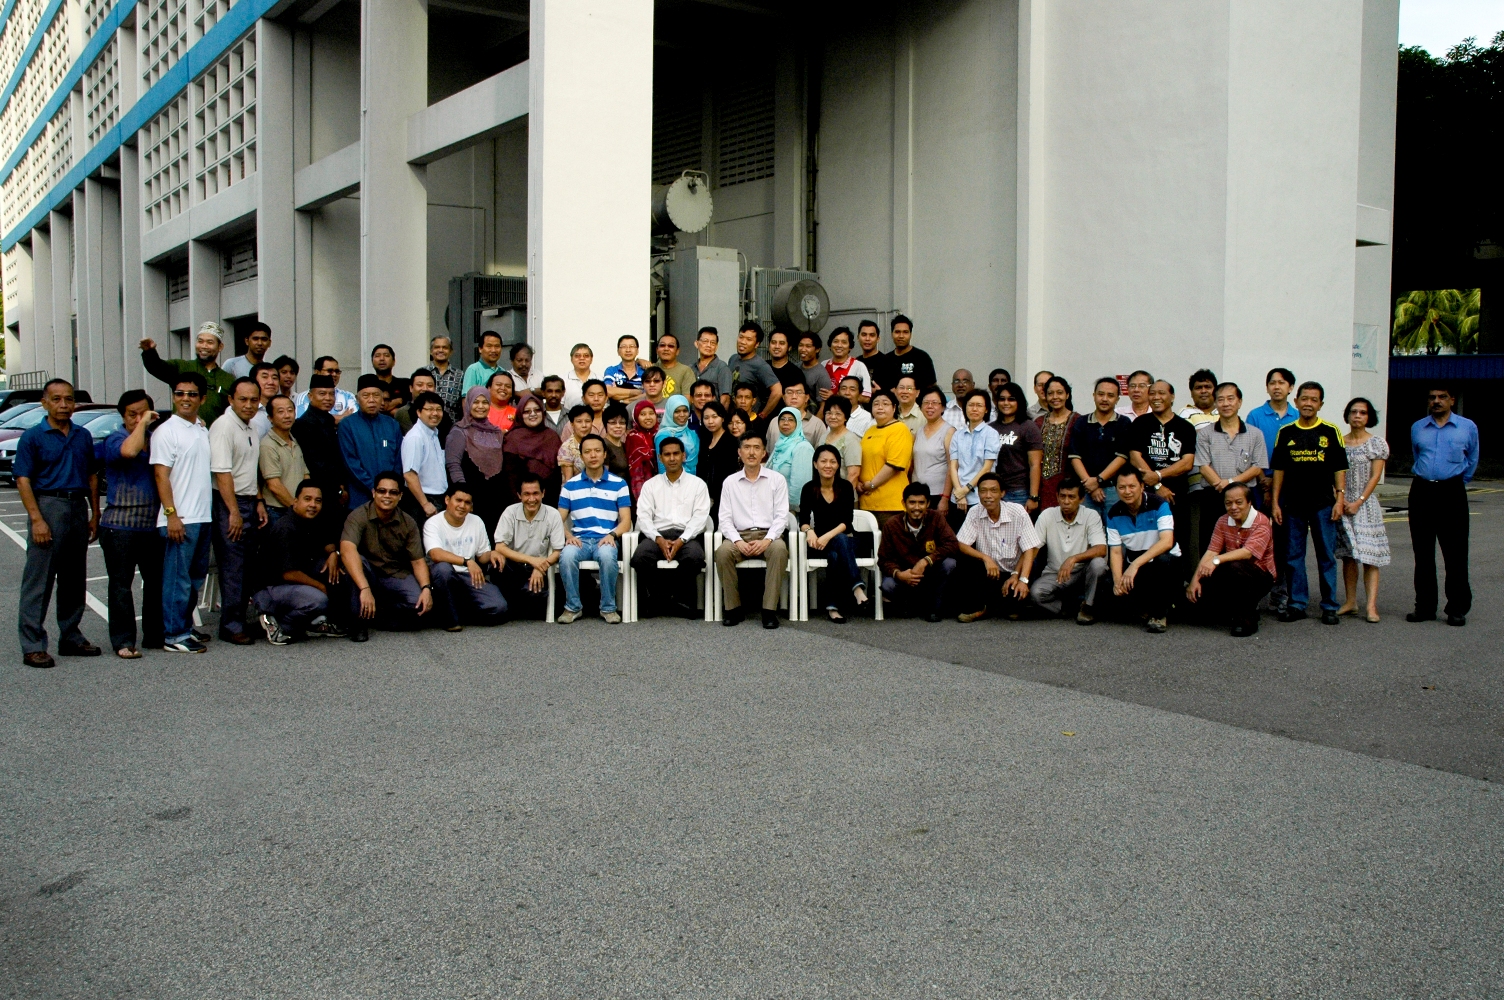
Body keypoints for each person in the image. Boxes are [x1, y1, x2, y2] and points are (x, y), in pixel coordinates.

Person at [14, 379, 102, 667]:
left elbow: (91, 475)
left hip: (77, 507)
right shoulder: (33, 437)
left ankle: (71, 636)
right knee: (39, 580)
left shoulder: (82, 436)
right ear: (45, 403)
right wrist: (37, 520)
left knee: (74, 579)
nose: (63, 405)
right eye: (56, 399)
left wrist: (95, 514)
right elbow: (23, 480)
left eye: (69, 399)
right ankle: (33, 644)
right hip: (48, 506)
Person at [1269, 381, 1347, 625]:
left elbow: (1339, 468)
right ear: (1296, 402)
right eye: (1304, 399)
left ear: (1320, 404)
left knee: (1326, 556)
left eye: (1314, 400)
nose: (1308, 404)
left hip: (1323, 504)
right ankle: (1297, 604)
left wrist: (1340, 498)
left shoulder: (1331, 431)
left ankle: (1330, 606)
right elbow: (1279, 470)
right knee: (1293, 556)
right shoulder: (1286, 432)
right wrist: (1275, 503)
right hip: (1293, 505)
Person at [98, 390, 164, 657]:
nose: (137, 419)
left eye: (143, 413)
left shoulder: (157, 439)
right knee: (121, 585)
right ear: (123, 416)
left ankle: (155, 634)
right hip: (120, 525)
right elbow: (129, 451)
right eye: (132, 415)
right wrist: (143, 423)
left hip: (152, 524)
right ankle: (123, 641)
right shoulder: (116, 439)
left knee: (156, 582)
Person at [153, 372, 215, 653]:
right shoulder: (167, 431)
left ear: (202, 399)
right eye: (179, 393)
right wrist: (171, 515)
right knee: (177, 579)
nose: (185, 399)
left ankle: (185, 627)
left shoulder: (201, 429)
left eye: (191, 394)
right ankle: (174, 635)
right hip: (181, 518)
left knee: (194, 578)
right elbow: (161, 475)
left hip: (203, 516)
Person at [1406, 384, 1477, 626]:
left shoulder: (1467, 427)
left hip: (1452, 491)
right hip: (1422, 490)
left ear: (1452, 400)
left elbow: (1472, 458)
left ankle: (1456, 608)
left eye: (1442, 397)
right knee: (1423, 553)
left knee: (1455, 553)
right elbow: (1418, 455)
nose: (1436, 401)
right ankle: (1425, 607)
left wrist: (1456, 483)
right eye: (1432, 397)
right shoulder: (1418, 427)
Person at [340, 472, 439, 639]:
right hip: (366, 574)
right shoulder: (358, 516)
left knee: (418, 605)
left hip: (394, 574)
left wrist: (426, 588)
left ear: (400, 496)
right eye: (382, 491)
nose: (387, 496)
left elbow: (417, 561)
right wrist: (365, 588)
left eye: (393, 492)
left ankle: (377, 614)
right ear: (374, 493)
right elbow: (347, 550)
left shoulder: (408, 522)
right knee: (356, 562)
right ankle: (358, 622)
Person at [209, 378, 270, 644]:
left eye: (253, 400)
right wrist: (233, 512)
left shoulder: (251, 427)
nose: (248, 405)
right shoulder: (224, 427)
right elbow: (222, 473)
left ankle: (240, 620)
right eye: (243, 399)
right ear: (230, 399)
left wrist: (258, 501)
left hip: (248, 500)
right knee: (233, 567)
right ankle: (230, 626)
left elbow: (250, 469)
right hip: (229, 503)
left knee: (247, 565)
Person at [251, 480, 349, 644]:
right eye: (307, 499)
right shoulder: (286, 527)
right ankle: (279, 623)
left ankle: (316, 620)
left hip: (292, 584)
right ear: (295, 501)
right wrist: (321, 587)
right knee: (318, 600)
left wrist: (333, 553)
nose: (313, 505)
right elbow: (289, 573)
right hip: (271, 588)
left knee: (336, 570)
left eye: (318, 500)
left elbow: (325, 540)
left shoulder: (311, 520)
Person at [715, 432, 790, 629]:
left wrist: (767, 540)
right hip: (739, 536)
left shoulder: (777, 480)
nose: (751, 452)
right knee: (722, 552)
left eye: (757, 448)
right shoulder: (730, 482)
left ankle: (769, 610)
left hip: (769, 535)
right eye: (747, 447)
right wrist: (738, 541)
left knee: (779, 550)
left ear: (764, 453)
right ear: (739, 452)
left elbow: (782, 516)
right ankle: (733, 608)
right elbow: (724, 518)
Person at [631, 437, 712, 617]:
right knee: (640, 557)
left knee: (695, 557)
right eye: (667, 455)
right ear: (660, 458)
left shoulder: (697, 485)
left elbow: (700, 517)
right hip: (657, 535)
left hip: (687, 535)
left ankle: (668, 599)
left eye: (676, 453)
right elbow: (643, 516)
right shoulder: (651, 485)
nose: (672, 458)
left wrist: (682, 540)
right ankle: (666, 598)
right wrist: (658, 539)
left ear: (684, 456)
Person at [556, 435, 633, 624]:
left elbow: (626, 521)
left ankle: (608, 608)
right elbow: (557, 519)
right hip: (579, 539)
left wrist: (612, 534)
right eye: (588, 452)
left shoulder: (619, 484)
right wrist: (567, 535)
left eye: (597, 451)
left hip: (606, 538)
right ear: (581, 456)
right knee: (567, 556)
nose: (593, 455)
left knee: (607, 556)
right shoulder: (570, 486)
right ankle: (573, 607)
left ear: (604, 454)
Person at [1186, 482, 1275, 636]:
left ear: (1249, 502)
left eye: (1239, 502)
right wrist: (1195, 581)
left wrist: (1216, 560)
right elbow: (1211, 552)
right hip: (1232, 572)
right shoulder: (1222, 521)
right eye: (1228, 503)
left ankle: (1246, 619)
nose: (1233, 507)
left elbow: (1247, 553)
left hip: (1260, 576)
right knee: (1194, 608)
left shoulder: (1261, 521)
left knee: (1235, 567)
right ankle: (1230, 610)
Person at [1246, 367, 1299, 613]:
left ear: (1290, 388)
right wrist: (1264, 481)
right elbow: (1250, 451)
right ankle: (1254, 591)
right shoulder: (1255, 416)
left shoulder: (1297, 417)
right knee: (1256, 539)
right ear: (1267, 387)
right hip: (1259, 484)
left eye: (1282, 382)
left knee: (1285, 541)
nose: (1277, 387)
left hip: (1288, 488)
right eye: (1272, 383)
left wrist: (1278, 483)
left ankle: (1281, 593)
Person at [954, 473, 1042, 622]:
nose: (988, 495)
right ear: (978, 494)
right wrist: (985, 558)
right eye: (983, 491)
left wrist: (1021, 579)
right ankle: (979, 607)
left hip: (1013, 572)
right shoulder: (975, 511)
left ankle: (998, 604)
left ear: (1002, 493)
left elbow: (1030, 549)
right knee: (965, 561)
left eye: (993, 490)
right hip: (990, 572)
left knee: (1013, 611)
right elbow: (961, 543)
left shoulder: (1017, 512)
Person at [1127, 380, 1196, 569]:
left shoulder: (1185, 427)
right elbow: (1135, 457)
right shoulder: (1140, 424)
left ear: (1172, 397)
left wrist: (1157, 475)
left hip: (1177, 495)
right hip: (1145, 496)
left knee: (1177, 541)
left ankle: (1177, 583)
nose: (1156, 397)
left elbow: (1187, 462)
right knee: (1145, 541)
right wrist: (1157, 485)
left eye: (1161, 393)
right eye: (1152, 393)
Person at [1194, 382, 1267, 556]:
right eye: (1220, 400)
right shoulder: (1205, 433)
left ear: (1239, 402)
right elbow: (1203, 466)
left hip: (1245, 497)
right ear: (1215, 403)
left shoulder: (1255, 434)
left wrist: (1231, 484)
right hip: (1214, 496)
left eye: (1230, 399)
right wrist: (1223, 486)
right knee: (1210, 545)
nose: (1225, 404)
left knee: (1245, 545)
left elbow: (1257, 467)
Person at [1333, 396, 1389, 623]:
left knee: (1370, 556)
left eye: (1363, 412)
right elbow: (1334, 473)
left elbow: (1375, 476)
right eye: (1354, 412)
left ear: (1369, 417)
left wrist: (1359, 501)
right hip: (1343, 503)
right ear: (1347, 415)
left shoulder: (1376, 443)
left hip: (1365, 505)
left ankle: (1371, 606)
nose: (1357, 416)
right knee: (1348, 556)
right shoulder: (1339, 442)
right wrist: (1340, 499)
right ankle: (1351, 601)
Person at [1105, 466, 1179, 633]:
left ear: (1142, 486)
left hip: (1164, 564)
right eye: (1122, 487)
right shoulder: (1113, 513)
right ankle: (1143, 608)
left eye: (1132, 486)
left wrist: (1135, 564)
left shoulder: (1159, 504)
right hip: (1138, 567)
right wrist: (1117, 581)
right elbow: (1115, 551)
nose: (1127, 492)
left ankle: (1159, 614)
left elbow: (1167, 542)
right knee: (1110, 584)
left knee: (1163, 561)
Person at [799, 444, 868, 622]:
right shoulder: (809, 488)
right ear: (815, 464)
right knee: (835, 553)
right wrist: (809, 531)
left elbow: (847, 521)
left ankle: (833, 608)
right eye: (823, 461)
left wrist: (828, 536)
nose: (828, 465)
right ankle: (856, 588)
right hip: (820, 543)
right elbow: (803, 520)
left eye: (833, 461)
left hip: (848, 540)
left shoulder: (845, 487)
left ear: (838, 465)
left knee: (839, 542)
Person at [424, 483, 508, 628]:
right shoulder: (433, 523)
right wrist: (467, 561)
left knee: (498, 607)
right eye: (458, 500)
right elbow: (435, 554)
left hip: (468, 576)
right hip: (442, 575)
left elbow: (482, 556)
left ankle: (460, 610)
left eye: (467, 502)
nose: (462, 506)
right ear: (447, 500)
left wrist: (492, 553)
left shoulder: (476, 521)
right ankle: (450, 620)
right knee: (443, 569)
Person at [1028, 477, 1108, 623]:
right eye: (1062, 496)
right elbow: (1033, 549)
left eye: (1071, 497)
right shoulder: (1047, 515)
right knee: (1036, 594)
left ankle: (1088, 607)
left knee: (1098, 564)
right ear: (1057, 497)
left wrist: (1073, 559)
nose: (1066, 501)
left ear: (1081, 499)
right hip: (1055, 573)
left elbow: (1101, 549)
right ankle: (1068, 608)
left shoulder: (1091, 515)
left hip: (1083, 571)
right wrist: (1020, 577)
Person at [878, 483, 958, 621]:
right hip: (905, 575)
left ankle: (934, 607)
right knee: (888, 585)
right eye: (912, 502)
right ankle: (909, 604)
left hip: (930, 573)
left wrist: (926, 560)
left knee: (950, 563)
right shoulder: (892, 524)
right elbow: (884, 559)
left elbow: (952, 544)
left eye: (921, 503)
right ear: (904, 503)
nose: (916, 507)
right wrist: (899, 574)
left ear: (928, 503)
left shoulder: (936, 518)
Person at [492, 474, 565, 620]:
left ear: (543, 493)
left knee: (537, 596)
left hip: (540, 568)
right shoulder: (510, 512)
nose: (531, 499)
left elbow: (558, 551)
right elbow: (500, 547)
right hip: (514, 566)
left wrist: (541, 566)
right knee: (497, 563)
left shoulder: (553, 514)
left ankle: (518, 604)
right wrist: (532, 560)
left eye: (535, 493)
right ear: (519, 495)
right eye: (526, 494)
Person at [139, 323, 237, 423]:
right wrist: (149, 351)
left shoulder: (227, 379)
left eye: (210, 342)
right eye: (200, 341)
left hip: (213, 432)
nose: (204, 346)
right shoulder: (182, 367)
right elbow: (157, 367)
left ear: (220, 347)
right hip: (180, 430)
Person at [446, 387, 510, 534]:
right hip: (471, 495)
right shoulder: (459, 431)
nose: (480, 406)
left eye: (485, 402)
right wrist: (463, 495)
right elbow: (453, 465)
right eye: (476, 402)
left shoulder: (496, 432)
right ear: (468, 403)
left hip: (494, 496)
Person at [1068, 377, 1132, 521]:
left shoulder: (1123, 423)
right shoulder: (1081, 422)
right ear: (1094, 395)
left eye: (1110, 395)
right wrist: (1090, 484)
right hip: (1085, 489)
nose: (1104, 399)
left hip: (1114, 489)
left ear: (1117, 399)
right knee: (1086, 530)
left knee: (1116, 530)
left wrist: (1098, 480)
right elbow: (1074, 456)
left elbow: (1122, 457)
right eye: (1101, 394)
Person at [338, 375, 402, 509]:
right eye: (366, 396)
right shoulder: (347, 425)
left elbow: (398, 460)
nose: (371, 400)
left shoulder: (392, 424)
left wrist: (390, 488)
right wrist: (374, 488)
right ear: (357, 399)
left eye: (376, 395)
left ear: (382, 398)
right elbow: (351, 463)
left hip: (389, 497)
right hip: (360, 498)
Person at [292, 373, 350, 522]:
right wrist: (338, 488)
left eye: (331, 394)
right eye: (322, 394)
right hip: (318, 491)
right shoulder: (303, 424)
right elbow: (316, 463)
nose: (328, 398)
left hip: (334, 489)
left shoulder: (329, 420)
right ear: (310, 396)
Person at [857, 390, 913, 529]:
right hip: (867, 503)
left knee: (891, 541)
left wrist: (872, 485)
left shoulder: (900, 429)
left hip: (891, 504)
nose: (880, 407)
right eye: (876, 404)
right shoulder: (870, 430)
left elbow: (894, 464)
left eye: (885, 404)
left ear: (894, 408)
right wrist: (859, 483)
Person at [984, 383, 1038, 512]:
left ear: (1019, 401)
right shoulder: (990, 428)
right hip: (994, 491)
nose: (1006, 403)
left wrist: (1033, 496)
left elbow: (1035, 464)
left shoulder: (1028, 427)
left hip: (1019, 492)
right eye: (1002, 399)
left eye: (1011, 399)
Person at [503, 394, 563, 505]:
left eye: (537, 410)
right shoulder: (512, 438)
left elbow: (558, 474)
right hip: (520, 502)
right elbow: (510, 478)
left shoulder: (552, 436)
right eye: (527, 411)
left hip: (550, 500)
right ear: (520, 414)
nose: (533, 414)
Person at [259, 395, 308, 523]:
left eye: (290, 410)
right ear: (270, 418)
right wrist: (296, 508)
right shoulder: (268, 445)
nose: (287, 415)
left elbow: (305, 475)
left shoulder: (294, 440)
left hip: (296, 509)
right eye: (280, 412)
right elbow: (274, 486)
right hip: (278, 511)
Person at [401, 391, 449, 520]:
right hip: (421, 501)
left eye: (438, 409)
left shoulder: (434, 434)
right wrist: (425, 504)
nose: (435, 413)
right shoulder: (415, 437)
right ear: (418, 412)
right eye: (430, 409)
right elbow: (409, 475)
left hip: (437, 498)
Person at [1034, 376, 1079, 509]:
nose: (1055, 397)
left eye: (1059, 393)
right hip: (1041, 485)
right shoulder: (1038, 422)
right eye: (1050, 393)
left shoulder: (1078, 421)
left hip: (1069, 485)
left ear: (1067, 395)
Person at [729, 322, 783, 422]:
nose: (743, 342)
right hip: (733, 418)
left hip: (749, 420)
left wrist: (763, 415)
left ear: (757, 344)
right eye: (741, 337)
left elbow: (777, 391)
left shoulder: (760, 365)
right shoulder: (733, 358)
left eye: (749, 339)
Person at [911, 386, 954, 509]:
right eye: (926, 403)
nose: (930, 406)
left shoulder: (949, 431)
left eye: (935, 403)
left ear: (943, 407)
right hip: (918, 495)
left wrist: (945, 498)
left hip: (938, 494)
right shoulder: (919, 432)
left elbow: (952, 466)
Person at [695, 402, 739, 520]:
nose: (710, 421)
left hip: (722, 496)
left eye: (714, 417)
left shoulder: (730, 441)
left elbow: (728, 472)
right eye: (706, 418)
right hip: (704, 495)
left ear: (723, 418)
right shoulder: (705, 439)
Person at [768, 406, 815, 511]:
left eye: (790, 420)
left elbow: (800, 485)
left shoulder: (802, 447)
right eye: (782, 419)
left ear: (798, 423)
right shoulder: (780, 444)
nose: (785, 423)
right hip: (775, 505)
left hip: (792, 509)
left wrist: (791, 509)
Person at [879, 314, 936, 391]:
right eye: (897, 332)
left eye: (905, 332)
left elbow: (932, 388)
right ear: (892, 334)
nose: (901, 336)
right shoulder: (885, 360)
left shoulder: (922, 358)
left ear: (910, 334)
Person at [394, 370, 453, 443]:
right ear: (411, 388)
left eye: (430, 385)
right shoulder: (403, 413)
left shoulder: (443, 414)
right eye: (420, 385)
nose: (425, 389)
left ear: (435, 389)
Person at [294, 356, 359, 419]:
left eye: (337, 371)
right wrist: (341, 418)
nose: (334, 374)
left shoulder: (348, 396)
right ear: (317, 372)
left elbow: (355, 420)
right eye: (330, 371)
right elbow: (304, 421)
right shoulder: (303, 397)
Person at [821, 395, 864, 489]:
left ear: (846, 417)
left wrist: (842, 496)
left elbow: (853, 474)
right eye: (829, 413)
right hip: (824, 492)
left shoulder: (851, 440)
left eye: (838, 414)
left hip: (842, 494)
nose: (833, 417)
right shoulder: (823, 436)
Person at [654, 394, 700, 475]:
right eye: (677, 411)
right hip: (672, 480)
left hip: (694, 479)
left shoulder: (691, 433)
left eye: (685, 411)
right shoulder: (663, 435)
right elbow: (662, 467)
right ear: (670, 412)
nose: (682, 415)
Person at [823, 326, 872, 399]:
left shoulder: (859, 366)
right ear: (830, 345)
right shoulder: (823, 365)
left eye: (844, 342)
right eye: (835, 341)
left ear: (850, 347)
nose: (839, 345)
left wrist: (835, 397)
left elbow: (866, 398)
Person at [425, 335, 465, 420]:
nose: (441, 350)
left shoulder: (460, 375)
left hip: (452, 424)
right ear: (431, 351)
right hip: (427, 422)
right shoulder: (423, 373)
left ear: (451, 351)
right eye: (437, 347)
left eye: (445, 347)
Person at [691, 327, 734, 406]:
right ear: (696, 344)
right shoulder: (691, 368)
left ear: (716, 346)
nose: (709, 345)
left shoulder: (722, 368)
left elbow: (725, 399)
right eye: (705, 341)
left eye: (713, 343)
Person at [626, 400, 660, 501]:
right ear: (636, 417)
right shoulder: (634, 438)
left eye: (651, 413)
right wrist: (642, 501)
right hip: (644, 490)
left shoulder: (660, 435)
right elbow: (636, 474)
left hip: (663, 489)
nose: (648, 417)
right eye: (643, 414)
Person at [766, 329, 809, 406]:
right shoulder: (763, 367)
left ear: (789, 347)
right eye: (773, 342)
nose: (777, 346)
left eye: (782, 343)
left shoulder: (795, 373)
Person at [555, 404, 595, 482]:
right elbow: (568, 480)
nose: (584, 425)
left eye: (587, 421)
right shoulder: (566, 448)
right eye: (579, 421)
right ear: (572, 424)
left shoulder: (597, 442)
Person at [652, 333, 698, 399]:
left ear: (677, 351)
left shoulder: (685, 371)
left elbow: (687, 399)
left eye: (671, 346)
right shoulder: (651, 369)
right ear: (657, 350)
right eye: (662, 345)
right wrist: (638, 360)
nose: (666, 349)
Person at [602, 334, 646, 403]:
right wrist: (638, 391)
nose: (628, 350)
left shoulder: (645, 372)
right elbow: (608, 391)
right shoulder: (611, 371)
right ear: (618, 351)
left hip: (638, 409)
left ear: (637, 351)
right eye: (624, 347)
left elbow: (647, 395)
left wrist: (619, 395)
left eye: (631, 346)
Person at [795, 331, 834, 402]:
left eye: (808, 346)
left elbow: (823, 405)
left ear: (817, 349)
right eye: (801, 345)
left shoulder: (821, 375)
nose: (803, 349)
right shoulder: (795, 367)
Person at [370, 343, 409, 412]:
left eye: (386, 355)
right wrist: (396, 402)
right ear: (372, 362)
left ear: (394, 361)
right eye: (377, 356)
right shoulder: (368, 385)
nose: (382, 359)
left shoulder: (405, 384)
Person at [247, 362, 281, 440]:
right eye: (265, 377)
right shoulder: (244, 409)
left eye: (274, 378)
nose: (271, 382)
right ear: (253, 381)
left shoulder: (284, 410)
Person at [600, 403, 632, 482]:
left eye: (622, 423)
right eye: (613, 423)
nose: (618, 426)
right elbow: (603, 477)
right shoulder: (603, 445)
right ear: (605, 424)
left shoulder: (624, 445)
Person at [561, 342, 597, 410]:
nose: (582, 358)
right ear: (571, 359)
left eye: (586, 356)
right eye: (577, 356)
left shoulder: (599, 379)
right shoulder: (563, 380)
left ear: (591, 359)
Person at [856, 320, 887, 389]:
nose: (867, 339)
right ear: (858, 338)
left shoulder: (887, 362)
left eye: (872, 335)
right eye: (864, 335)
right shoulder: (855, 362)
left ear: (878, 339)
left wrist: (879, 392)